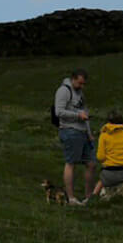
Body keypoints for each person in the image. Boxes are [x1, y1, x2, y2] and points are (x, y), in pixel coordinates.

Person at [53, 69, 92, 205]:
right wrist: (77, 116)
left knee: (91, 163)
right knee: (71, 163)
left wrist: (89, 132)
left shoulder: (80, 93)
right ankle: (71, 197)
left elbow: (84, 111)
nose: (82, 86)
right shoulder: (64, 91)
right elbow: (59, 111)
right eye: (80, 83)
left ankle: (89, 197)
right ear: (73, 79)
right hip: (70, 130)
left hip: (82, 131)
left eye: (84, 84)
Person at [89, 110, 123, 199]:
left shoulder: (104, 136)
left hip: (110, 175)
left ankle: (92, 198)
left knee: (101, 181)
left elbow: (100, 157)